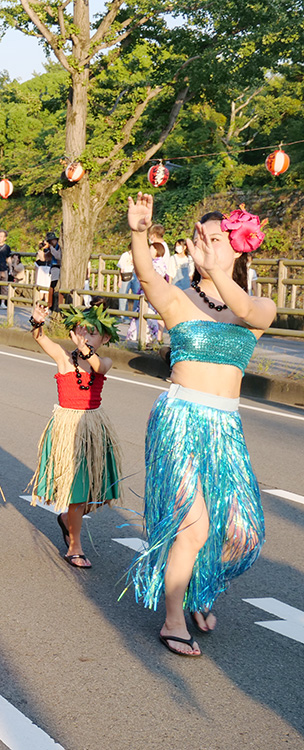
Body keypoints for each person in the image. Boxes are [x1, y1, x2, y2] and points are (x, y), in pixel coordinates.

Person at [125, 194, 274, 657]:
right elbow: (147, 275)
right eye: (199, 239)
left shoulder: (258, 306)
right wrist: (138, 233)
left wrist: (223, 271)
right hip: (181, 419)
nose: (205, 247)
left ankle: (197, 588)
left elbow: (247, 313)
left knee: (238, 530)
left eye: (217, 239)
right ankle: (173, 621)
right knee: (192, 527)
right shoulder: (179, 300)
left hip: (225, 428)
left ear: (238, 247)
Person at [28, 300, 122, 568]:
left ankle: (68, 520)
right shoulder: (63, 359)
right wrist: (37, 321)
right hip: (67, 430)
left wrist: (87, 350)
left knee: (91, 491)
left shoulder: (105, 360)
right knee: (76, 492)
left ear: (104, 337)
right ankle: (75, 546)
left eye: (92, 332)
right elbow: (41, 338)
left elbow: (99, 367)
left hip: (92, 428)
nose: (85, 336)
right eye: (81, 330)